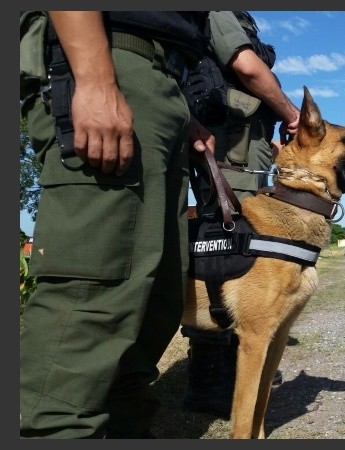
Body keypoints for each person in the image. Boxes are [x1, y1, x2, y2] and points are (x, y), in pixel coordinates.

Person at [19, 11, 213, 438]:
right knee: (92, 299)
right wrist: (95, 80)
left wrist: (181, 111)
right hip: (107, 59)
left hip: (161, 85)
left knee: (154, 300)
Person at [179, 10, 301, 419]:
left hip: (240, 146)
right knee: (227, 258)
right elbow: (247, 68)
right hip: (232, 147)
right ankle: (209, 382)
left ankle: (222, 375)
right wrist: (291, 113)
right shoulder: (220, 10)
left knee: (230, 256)